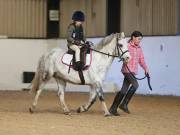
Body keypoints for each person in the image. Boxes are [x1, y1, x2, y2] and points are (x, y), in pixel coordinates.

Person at [109, 31, 150, 116]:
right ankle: (124, 104)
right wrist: (124, 59)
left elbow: (141, 60)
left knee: (123, 91)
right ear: (133, 37)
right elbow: (121, 54)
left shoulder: (139, 48)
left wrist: (146, 68)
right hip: (127, 70)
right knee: (135, 85)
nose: (139, 41)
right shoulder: (127, 46)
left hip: (133, 71)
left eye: (140, 39)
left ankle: (113, 108)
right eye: (138, 39)